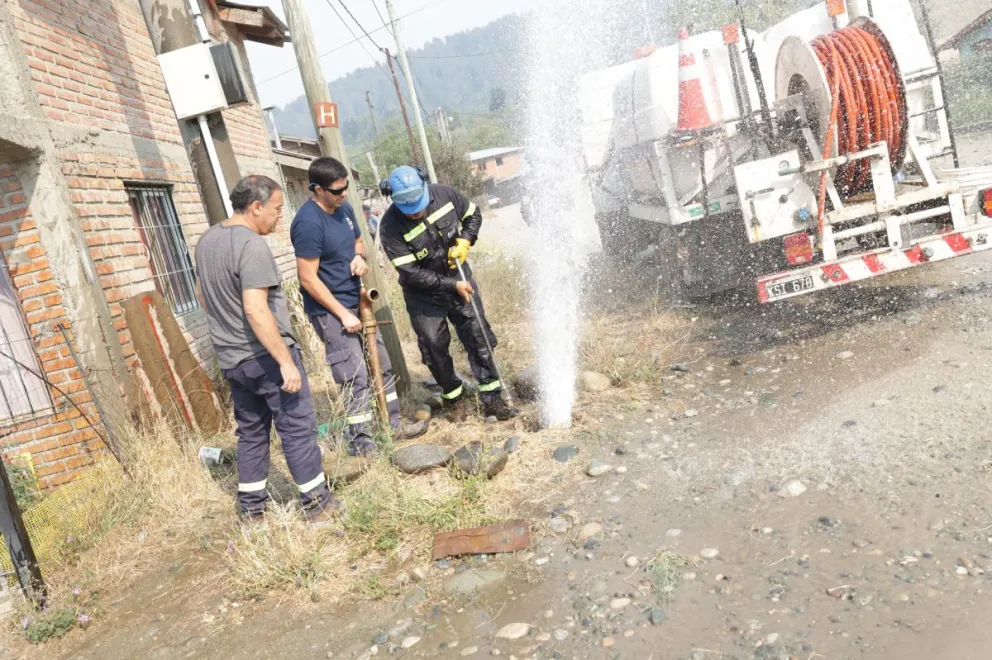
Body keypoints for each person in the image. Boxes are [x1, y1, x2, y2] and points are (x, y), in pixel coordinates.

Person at [194, 175, 340, 525]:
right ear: (256, 207)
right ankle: (317, 504)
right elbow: (256, 310)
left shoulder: (207, 240)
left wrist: (229, 327)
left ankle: (252, 512)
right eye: (276, 209)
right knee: (296, 427)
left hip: (231, 359)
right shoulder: (251, 246)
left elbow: (202, 295)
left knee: (252, 433)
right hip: (264, 358)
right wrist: (286, 362)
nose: (279, 216)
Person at [291, 157, 427, 457]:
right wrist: (341, 314)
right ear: (317, 189)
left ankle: (392, 425)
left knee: (383, 365)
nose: (343, 195)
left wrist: (359, 258)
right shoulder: (307, 224)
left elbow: (358, 242)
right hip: (330, 311)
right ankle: (361, 443)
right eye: (337, 191)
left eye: (346, 188)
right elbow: (308, 279)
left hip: (358, 302)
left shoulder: (345, 209)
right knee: (354, 376)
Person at [379, 166, 517, 422]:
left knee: (478, 337)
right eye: (409, 210)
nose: (416, 212)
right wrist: (451, 286)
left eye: (419, 205)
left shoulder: (444, 195)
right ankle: (454, 398)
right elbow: (411, 273)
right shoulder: (389, 228)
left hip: (459, 278)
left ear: (424, 187)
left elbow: (473, 215)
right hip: (423, 296)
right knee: (434, 346)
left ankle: (492, 398)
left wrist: (466, 240)